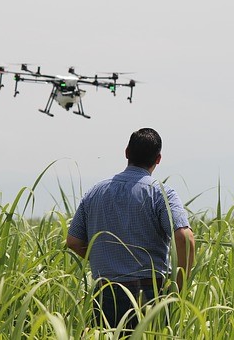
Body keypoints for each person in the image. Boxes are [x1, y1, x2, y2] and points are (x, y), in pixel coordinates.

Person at [66, 128, 195, 331]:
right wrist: (178, 287)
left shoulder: (95, 192)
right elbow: (185, 238)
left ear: (126, 152)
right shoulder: (161, 193)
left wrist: (106, 258)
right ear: (158, 159)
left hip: (105, 291)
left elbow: (73, 241)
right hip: (149, 293)